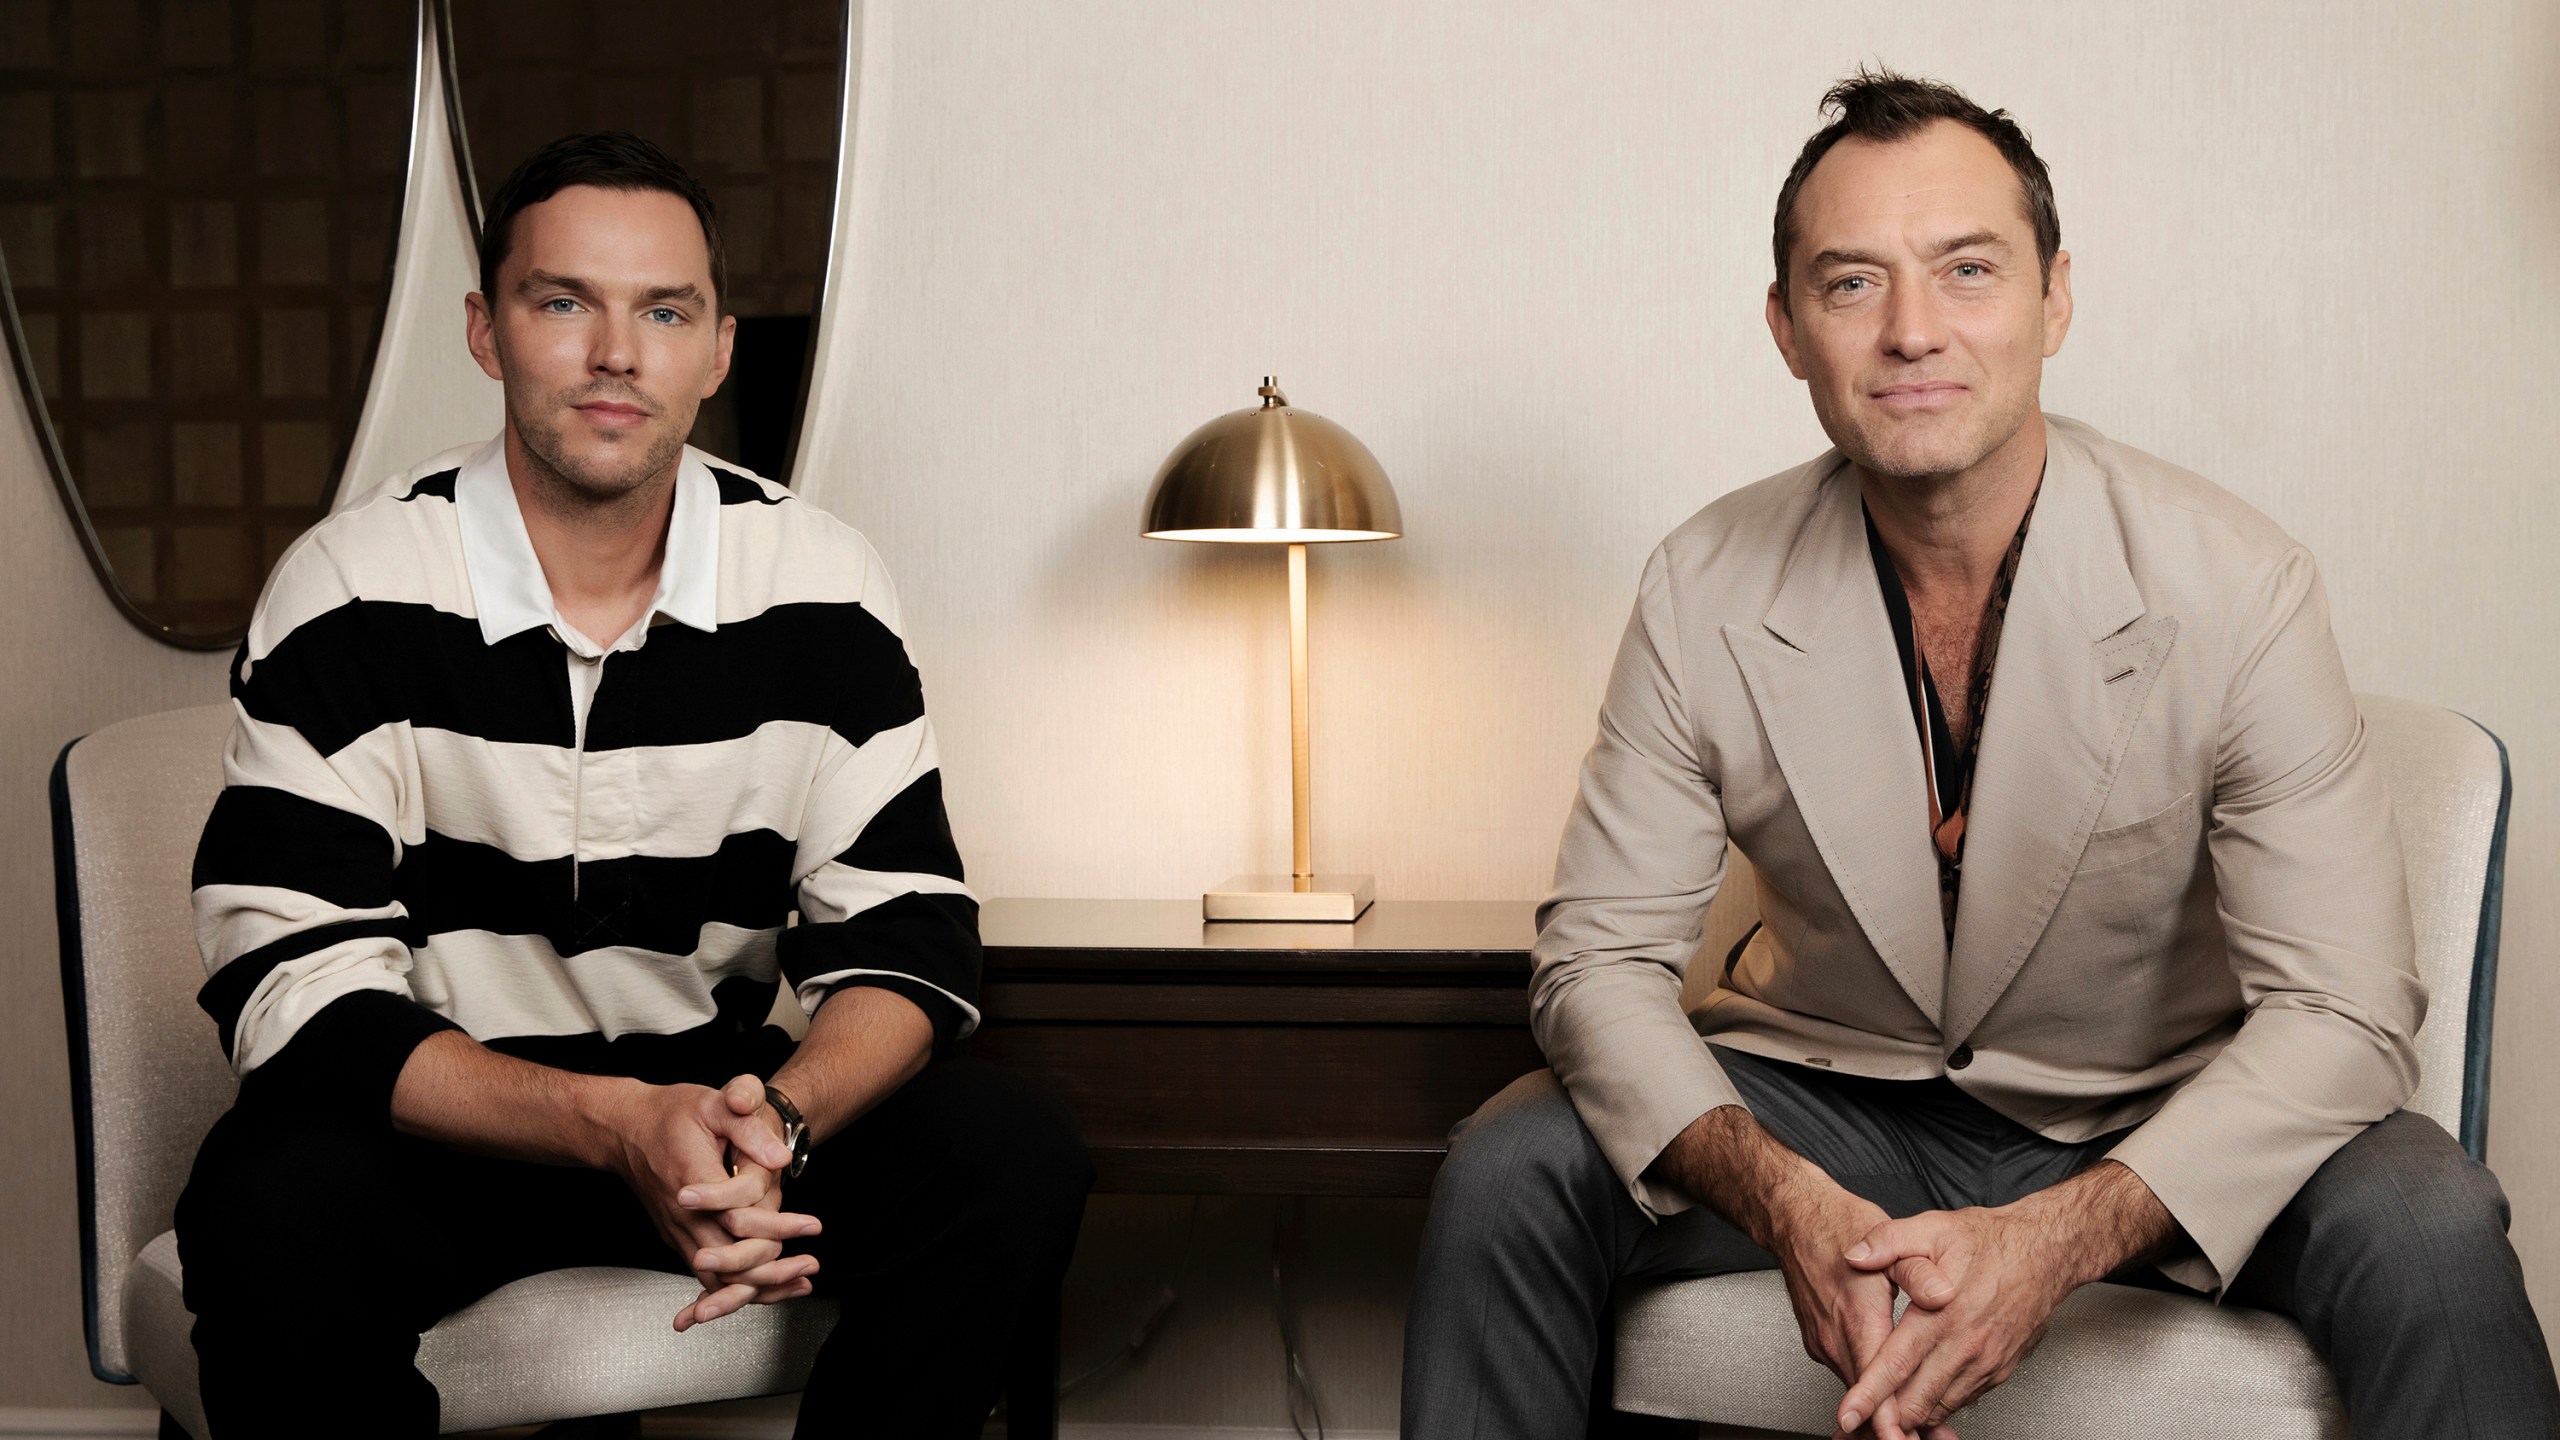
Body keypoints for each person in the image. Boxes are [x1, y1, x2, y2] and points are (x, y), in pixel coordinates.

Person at [1401, 69, 2558, 1439]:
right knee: (1507, 1166)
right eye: (1849, 284)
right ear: (1784, 328)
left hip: (2157, 1110)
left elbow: (2349, 1006)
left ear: (2055, 296)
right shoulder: (1701, 584)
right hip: (1830, 1106)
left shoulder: (2239, 581)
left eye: (1967, 270)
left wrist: (2055, 1239)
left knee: (2428, 1219)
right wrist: (1784, 1196)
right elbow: (1596, 964)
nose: (1910, 332)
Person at [175, 131, 1090, 1438]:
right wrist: (612, 1126)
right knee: (269, 1205)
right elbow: (288, 977)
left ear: (717, 348)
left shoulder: (821, 589)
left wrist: (775, 1119)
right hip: (448, 1118)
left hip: (720, 1102)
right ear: (488, 331)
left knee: (1010, 1161)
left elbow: (907, 944)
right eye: (566, 303)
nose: (619, 353)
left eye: (664, 311)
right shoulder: (351, 587)